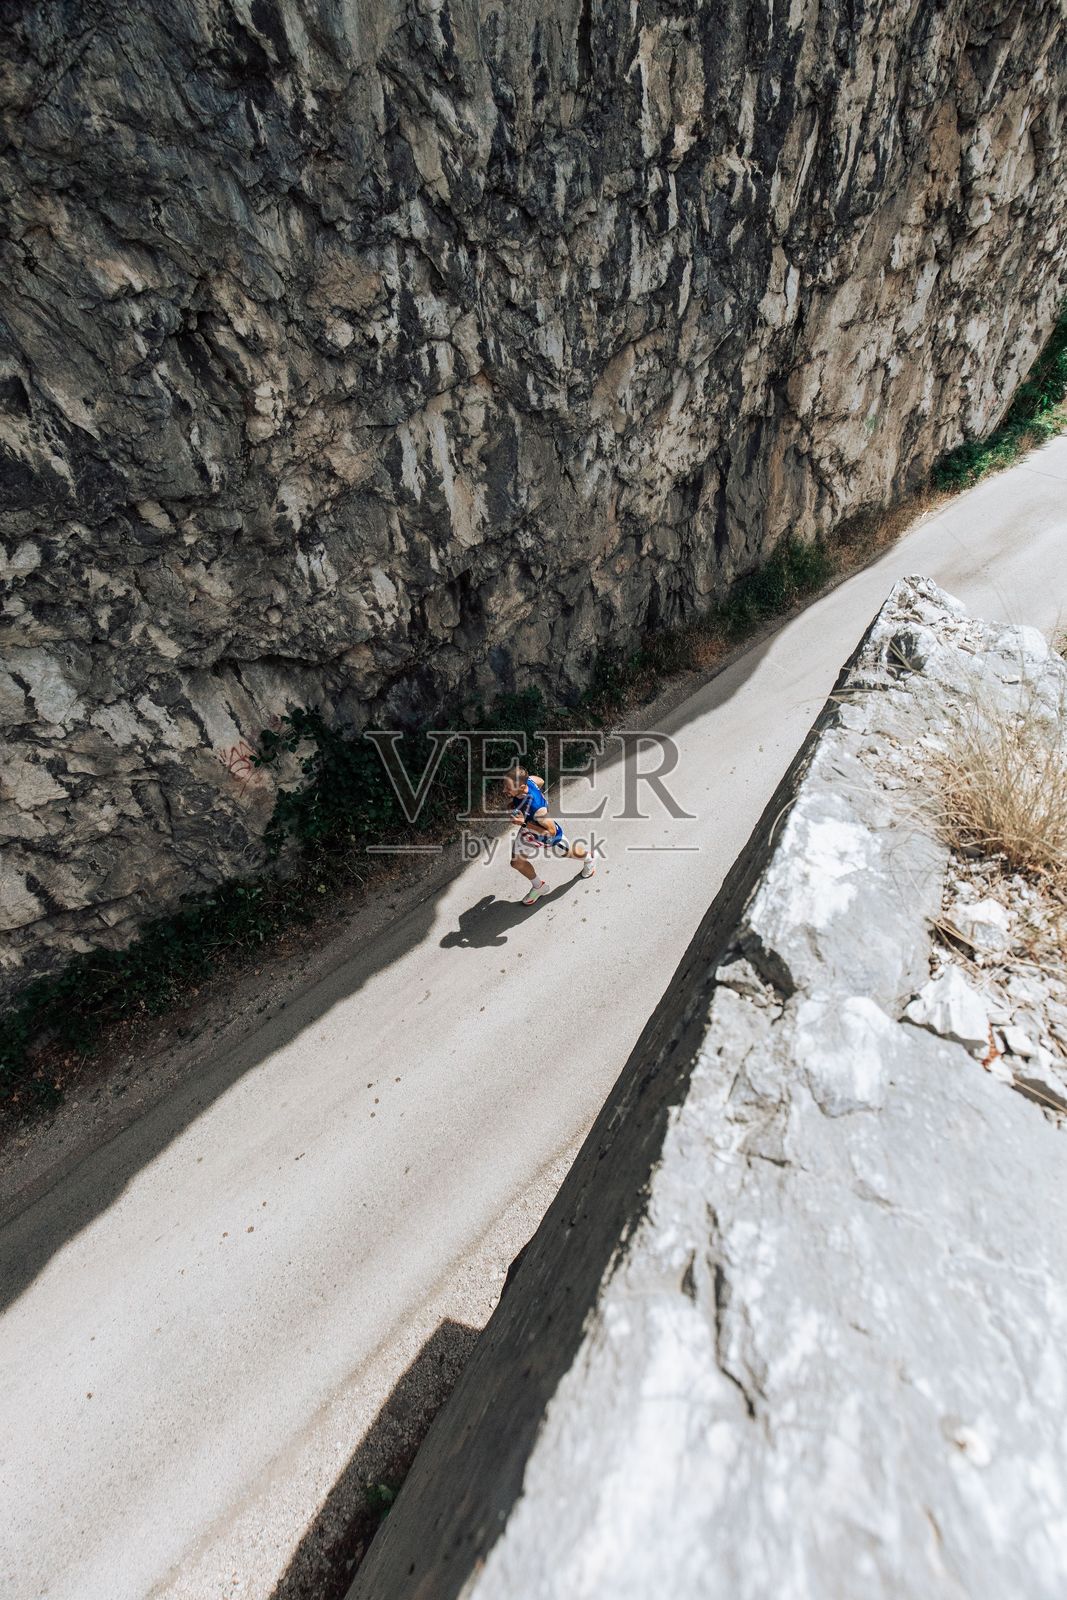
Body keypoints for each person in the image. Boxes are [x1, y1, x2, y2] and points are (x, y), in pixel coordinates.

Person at [501, 763, 596, 904]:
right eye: (505, 786)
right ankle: (539, 887)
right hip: (528, 833)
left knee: (565, 853)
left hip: (547, 837)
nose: (504, 790)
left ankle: (589, 859)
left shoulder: (538, 809)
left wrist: (524, 823)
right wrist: (516, 802)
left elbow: (550, 832)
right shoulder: (530, 781)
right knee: (517, 862)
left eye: (508, 788)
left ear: (521, 787)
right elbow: (540, 781)